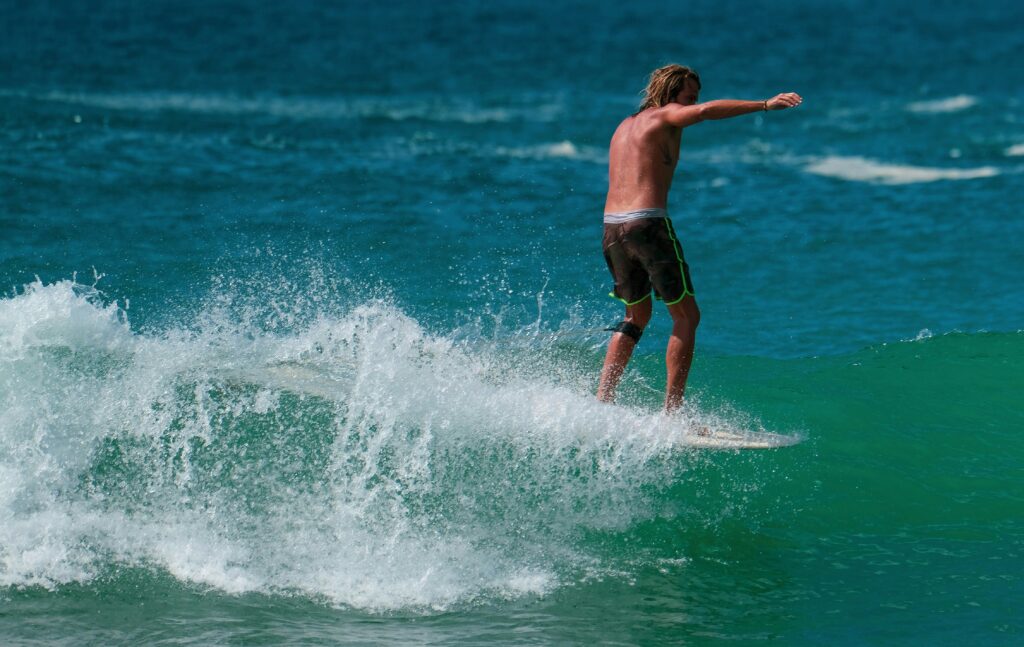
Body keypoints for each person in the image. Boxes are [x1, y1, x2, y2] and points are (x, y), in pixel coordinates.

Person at [597, 64, 802, 411]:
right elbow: (705, 113)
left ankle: (602, 400)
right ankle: (673, 413)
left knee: (636, 316)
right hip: (646, 224)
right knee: (687, 316)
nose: (694, 102)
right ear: (671, 92)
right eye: (689, 96)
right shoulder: (665, 115)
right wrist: (765, 105)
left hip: (612, 229)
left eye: (695, 97)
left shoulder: (623, 127)